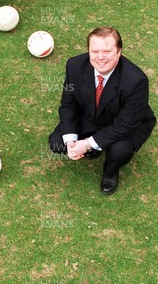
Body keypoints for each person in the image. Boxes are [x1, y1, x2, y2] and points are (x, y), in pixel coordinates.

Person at [48, 27, 156, 195]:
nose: (100, 57)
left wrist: (86, 143)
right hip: (91, 116)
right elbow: (69, 104)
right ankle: (94, 148)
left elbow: (125, 125)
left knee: (120, 151)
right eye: (95, 51)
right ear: (88, 50)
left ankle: (110, 171)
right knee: (56, 141)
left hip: (126, 123)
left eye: (107, 51)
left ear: (119, 52)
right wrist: (71, 140)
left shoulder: (136, 80)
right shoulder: (74, 65)